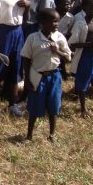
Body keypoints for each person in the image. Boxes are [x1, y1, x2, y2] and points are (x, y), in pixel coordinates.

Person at [21, 8, 71, 142]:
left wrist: (58, 51)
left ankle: (52, 134)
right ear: (42, 22)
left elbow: (68, 58)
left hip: (54, 76)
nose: (56, 24)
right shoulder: (33, 38)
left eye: (57, 21)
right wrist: (27, 78)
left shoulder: (60, 38)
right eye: (53, 21)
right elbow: (26, 58)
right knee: (35, 105)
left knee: (54, 105)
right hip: (38, 75)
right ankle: (29, 135)